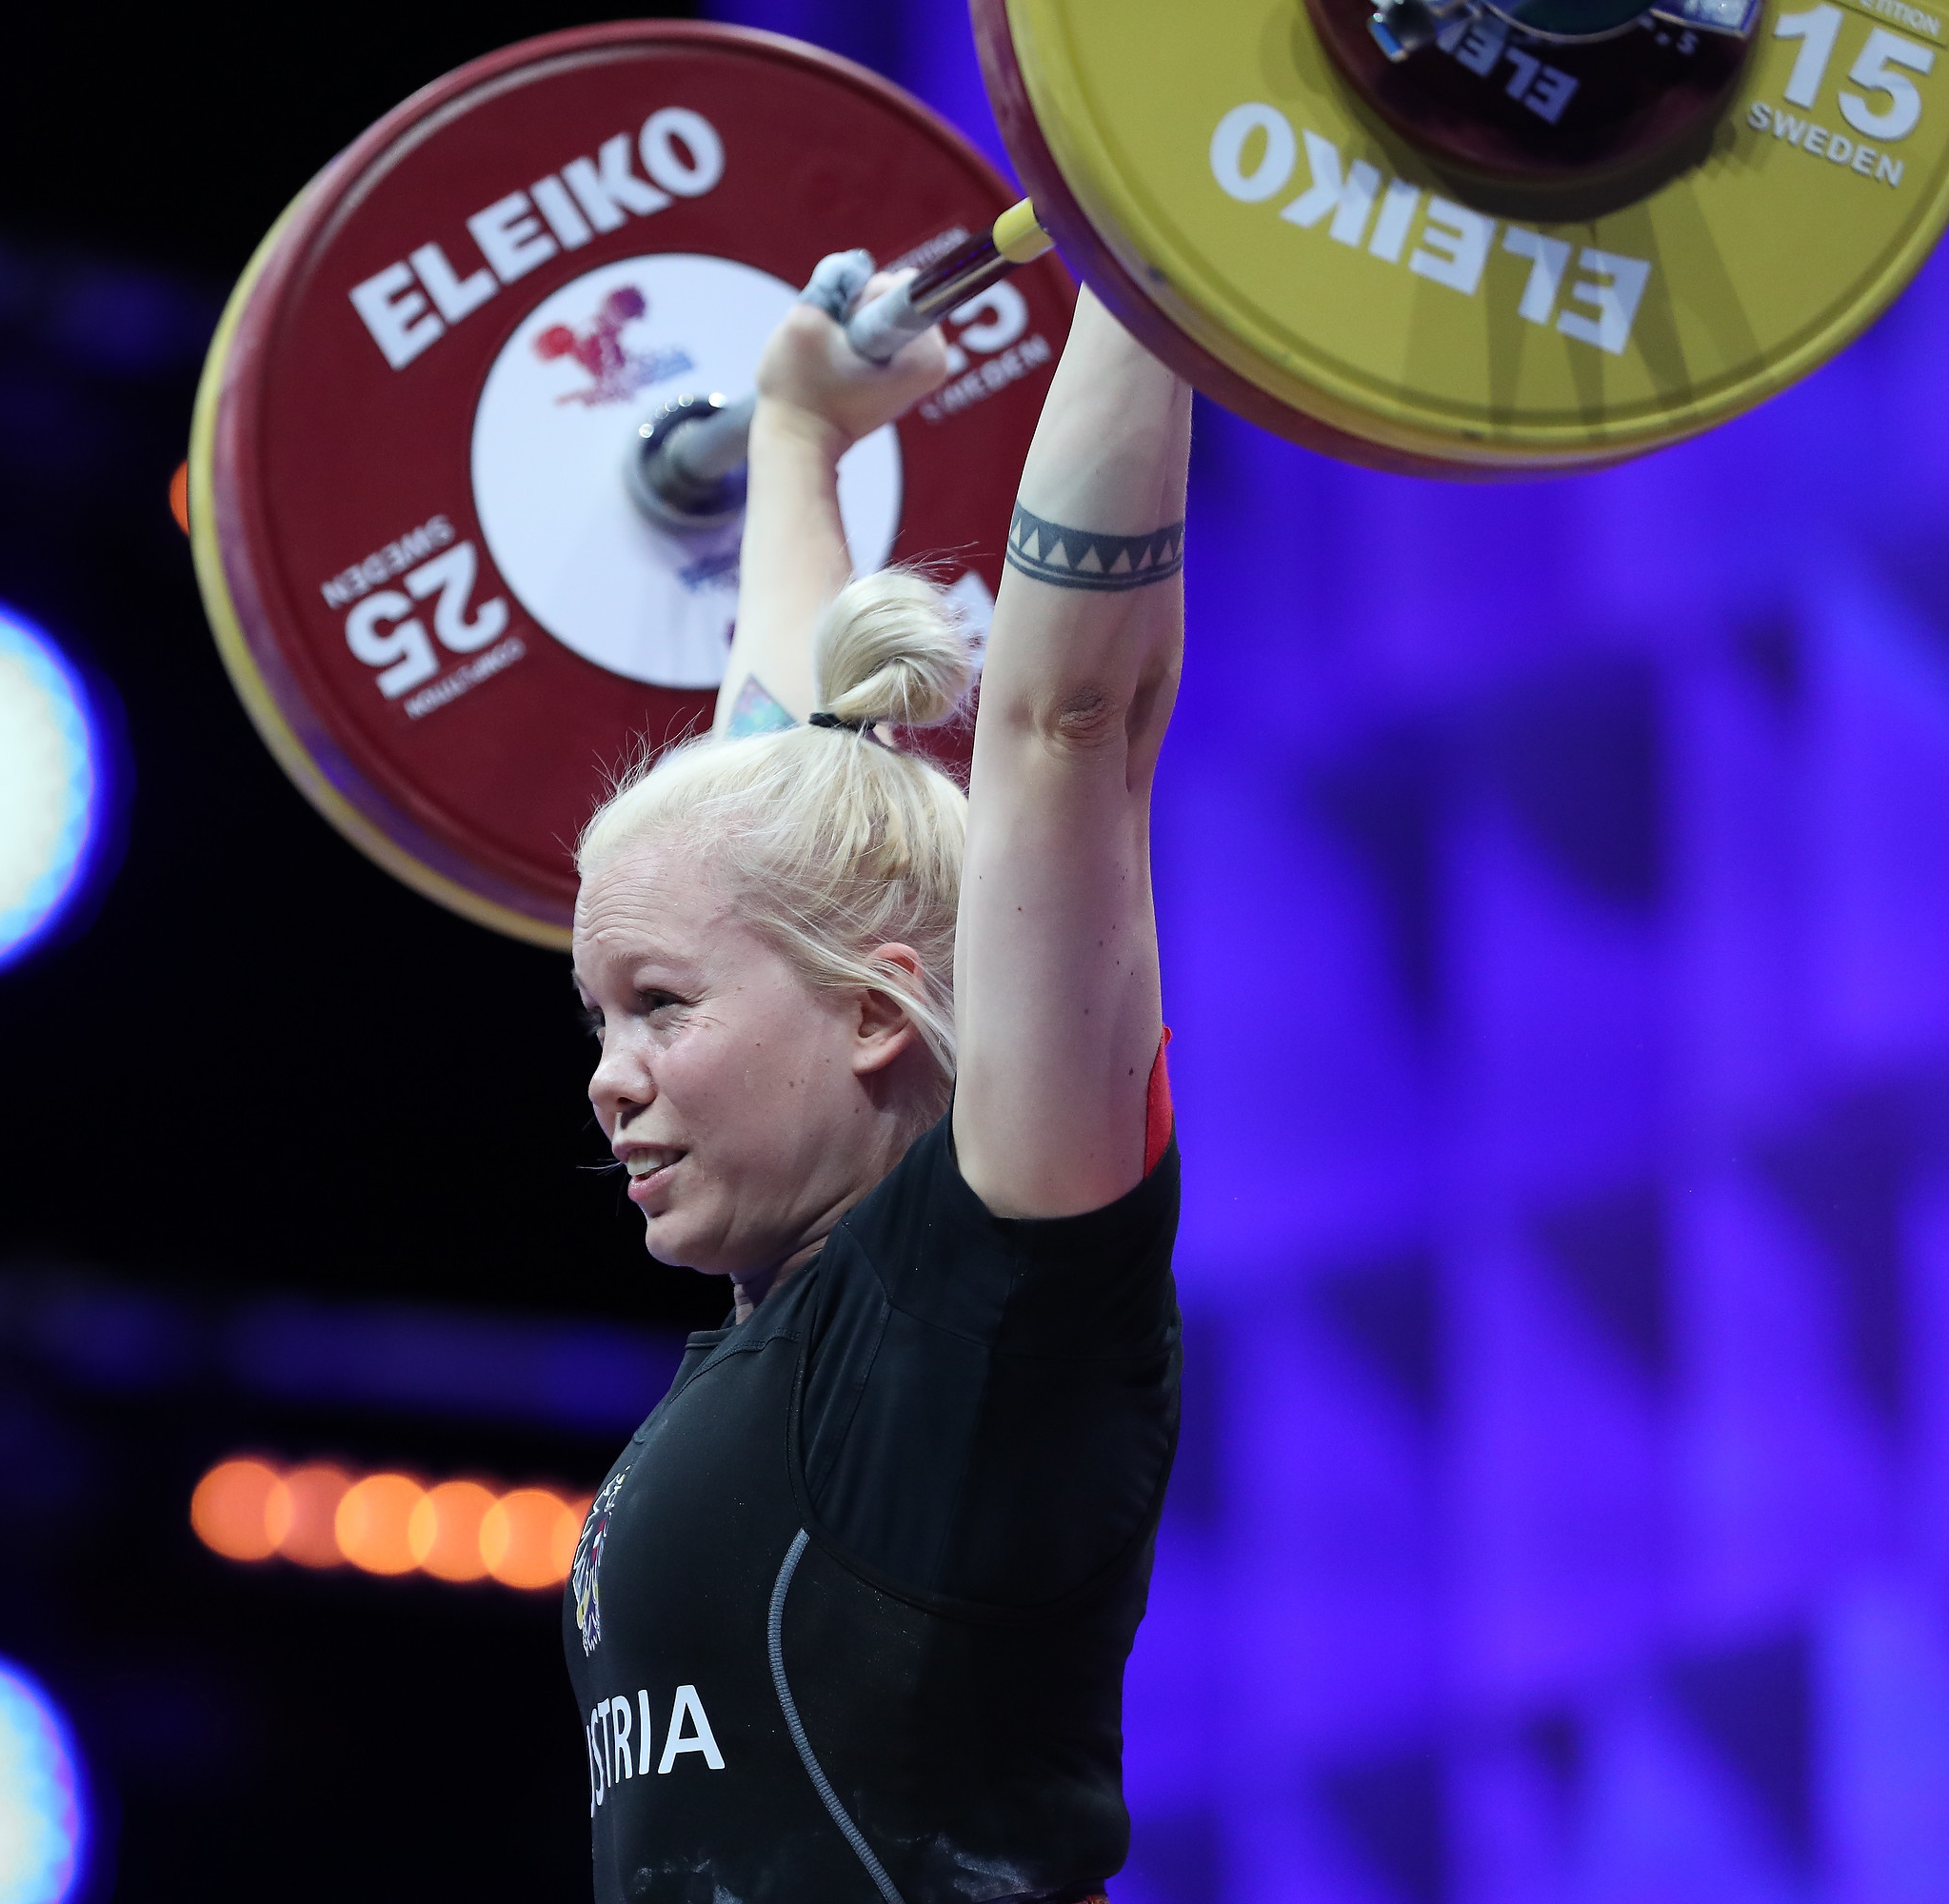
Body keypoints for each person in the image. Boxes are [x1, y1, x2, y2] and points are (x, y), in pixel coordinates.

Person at [562, 254, 1192, 1904]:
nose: (610, 1083)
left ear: (874, 1010)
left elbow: (1071, 724)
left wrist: (1153, 253)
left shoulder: (987, 1298)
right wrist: (798, 438)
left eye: (657, 1008)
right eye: (599, 1022)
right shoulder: (789, 1331)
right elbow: (785, 803)